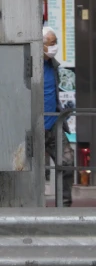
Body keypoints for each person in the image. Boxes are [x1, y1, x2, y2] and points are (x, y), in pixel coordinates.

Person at [43, 26, 74, 206]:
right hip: (35, 126)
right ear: (41, 45)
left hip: (54, 124)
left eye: (56, 42)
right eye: (52, 43)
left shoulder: (53, 65)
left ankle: (64, 207)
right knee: (34, 170)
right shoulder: (31, 64)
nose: (55, 46)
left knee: (68, 162)